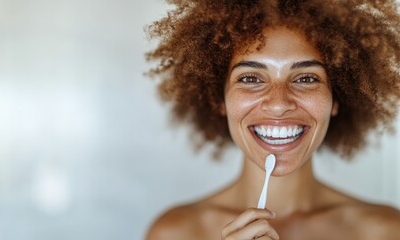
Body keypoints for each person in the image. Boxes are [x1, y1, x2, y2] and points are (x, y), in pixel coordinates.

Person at [145, 0, 400, 239]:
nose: (278, 104)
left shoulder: (384, 231)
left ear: (336, 99)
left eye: (306, 79)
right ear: (219, 99)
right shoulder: (176, 232)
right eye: (250, 79)